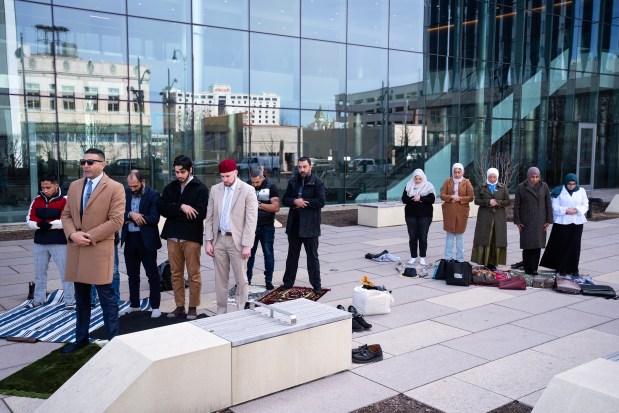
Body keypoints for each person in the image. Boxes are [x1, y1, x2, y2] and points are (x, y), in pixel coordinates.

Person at [60, 148, 125, 353]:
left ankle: (113, 342)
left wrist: (88, 236)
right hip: (77, 249)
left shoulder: (115, 188)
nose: (86, 165)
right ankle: (81, 339)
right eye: (83, 162)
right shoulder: (75, 186)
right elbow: (66, 215)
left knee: (107, 298)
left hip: (98, 249)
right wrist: (72, 235)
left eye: (91, 162)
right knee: (81, 299)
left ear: (103, 164)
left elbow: (116, 220)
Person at [159, 155, 209, 320]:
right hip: (173, 237)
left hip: (191, 237)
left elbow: (199, 214)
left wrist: (174, 210)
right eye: (176, 172)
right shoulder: (170, 187)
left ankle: (193, 306)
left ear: (190, 170)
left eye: (182, 172)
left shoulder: (200, 188)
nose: (179, 175)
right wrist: (182, 207)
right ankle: (179, 306)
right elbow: (162, 208)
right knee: (175, 274)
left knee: (194, 274)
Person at [205, 160, 258, 314]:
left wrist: (247, 244)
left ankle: (241, 310)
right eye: (222, 176)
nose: (225, 180)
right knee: (220, 279)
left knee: (241, 279)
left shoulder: (247, 190)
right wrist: (208, 241)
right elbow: (210, 217)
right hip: (219, 239)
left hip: (238, 241)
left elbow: (251, 220)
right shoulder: (215, 190)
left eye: (227, 176)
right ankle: (221, 312)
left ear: (235, 172)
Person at [26, 173, 75, 309]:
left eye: (48, 187)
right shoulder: (37, 200)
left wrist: (47, 224)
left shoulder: (66, 199)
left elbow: (66, 219)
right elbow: (30, 219)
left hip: (59, 242)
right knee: (39, 273)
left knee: (66, 273)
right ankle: (38, 300)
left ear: (56, 185)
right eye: (43, 187)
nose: (45, 190)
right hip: (40, 242)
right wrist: (39, 225)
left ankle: (69, 301)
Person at [120, 170, 162, 318]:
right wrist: (131, 214)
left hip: (147, 241)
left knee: (152, 275)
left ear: (142, 182)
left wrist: (131, 217)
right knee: (132, 275)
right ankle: (134, 304)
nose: (132, 189)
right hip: (129, 239)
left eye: (135, 186)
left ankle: (156, 306)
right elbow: (118, 213)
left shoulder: (153, 194)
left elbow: (154, 218)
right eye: (130, 186)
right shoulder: (124, 193)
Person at [281, 156, 326, 293]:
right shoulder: (293, 181)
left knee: (312, 257)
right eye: (300, 167)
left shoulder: (318, 182)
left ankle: (316, 285)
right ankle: (288, 283)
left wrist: (303, 202)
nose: (302, 169)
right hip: (294, 225)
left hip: (310, 227)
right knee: (292, 257)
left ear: (310, 167)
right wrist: (295, 201)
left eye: (304, 167)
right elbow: (285, 200)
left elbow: (321, 202)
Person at [540, 173, 589, 276]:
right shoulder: (559, 191)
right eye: (569, 184)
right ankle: (561, 267)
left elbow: (585, 204)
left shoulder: (581, 191)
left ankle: (572, 268)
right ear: (565, 183)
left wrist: (577, 210)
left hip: (577, 221)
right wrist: (566, 210)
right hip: (562, 221)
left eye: (573, 184)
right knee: (562, 244)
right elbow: (555, 206)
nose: (571, 186)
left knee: (575, 246)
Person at [513, 167, 552, 276]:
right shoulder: (521, 187)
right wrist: (517, 221)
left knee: (537, 246)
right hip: (526, 221)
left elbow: (548, 203)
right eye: (532, 177)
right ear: (528, 176)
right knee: (527, 246)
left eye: (536, 177)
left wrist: (549, 220)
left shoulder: (544, 186)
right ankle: (527, 268)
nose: (534, 179)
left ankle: (534, 269)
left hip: (540, 221)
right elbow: (517, 205)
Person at [471, 168, 511, 270]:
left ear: (497, 177)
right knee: (485, 238)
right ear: (487, 177)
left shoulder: (502, 187)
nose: (492, 179)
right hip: (484, 217)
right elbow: (476, 201)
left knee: (496, 238)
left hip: (498, 217)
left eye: (494, 177)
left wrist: (497, 202)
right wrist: (488, 202)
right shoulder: (482, 186)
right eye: (490, 177)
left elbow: (508, 201)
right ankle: (484, 261)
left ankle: (494, 263)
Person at [246, 168, 280, 290]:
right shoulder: (247, 186)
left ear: (262, 177)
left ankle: (269, 281)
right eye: (253, 182)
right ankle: (246, 279)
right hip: (250, 226)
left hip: (267, 226)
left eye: (257, 182)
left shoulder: (271, 186)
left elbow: (276, 207)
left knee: (268, 254)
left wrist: (259, 205)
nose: (254, 184)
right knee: (248, 254)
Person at [440, 163, 474, 262]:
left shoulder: (466, 182)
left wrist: (460, 198)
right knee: (449, 236)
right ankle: (447, 258)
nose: (457, 174)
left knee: (460, 236)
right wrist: (451, 197)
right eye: (455, 172)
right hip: (449, 211)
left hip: (462, 211)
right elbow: (442, 195)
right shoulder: (448, 181)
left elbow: (471, 197)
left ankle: (460, 258)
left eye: (459, 172)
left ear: (462, 172)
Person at [401, 169, 436, 266]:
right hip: (410, 214)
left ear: (423, 178)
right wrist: (413, 198)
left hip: (425, 215)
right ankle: (413, 256)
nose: (418, 181)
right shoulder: (409, 185)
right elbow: (404, 199)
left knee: (423, 236)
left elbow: (432, 200)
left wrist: (420, 198)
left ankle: (422, 257)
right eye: (416, 179)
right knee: (412, 236)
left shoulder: (428, 186)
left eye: (420, 179)